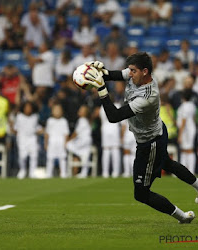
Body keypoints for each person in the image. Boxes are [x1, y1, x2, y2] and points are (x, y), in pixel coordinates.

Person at [83, 52, 198, 223]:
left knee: (141, 193)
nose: (129, 73)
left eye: (133, 71)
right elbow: (113, 75)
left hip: (150, 142)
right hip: (157, 131)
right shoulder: (135, 75)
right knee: (167, 162)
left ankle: (182, 217)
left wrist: (101, 89)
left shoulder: (148, 96)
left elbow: (114, 116)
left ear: (145, 71)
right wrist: (99, 71)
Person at [13, 101, 40, 179]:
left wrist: (40, 130)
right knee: (22, 156)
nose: (28, 109)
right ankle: (22, 170)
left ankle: (32, 172)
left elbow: (36, 127)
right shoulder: (19, 116)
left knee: (34, 155)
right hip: (22, 139)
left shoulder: (35, 117)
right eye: (27, 107)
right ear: (23, 108)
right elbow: (16, 128)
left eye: (30, 107)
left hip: (32, 138)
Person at [66, 105, 92, 178]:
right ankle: (84, 172)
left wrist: (68, 140)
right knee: (86, 155)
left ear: (85, 113)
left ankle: (79, 154)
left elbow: (76, 133)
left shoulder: (82, 120)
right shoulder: (86, 120)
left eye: (81, 110)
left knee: (68, 145)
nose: (79, 111)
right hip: (87, 141)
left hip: (83, 141)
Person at [45, 103, 69, 178]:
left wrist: (66, 143)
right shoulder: (50, 121)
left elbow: (66, 133)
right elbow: (47, 133)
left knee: (62, 158)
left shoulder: (64, 121)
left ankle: (63, 174)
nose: (57, 111)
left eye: (59, 110)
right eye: (55, 110)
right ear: (52, 111)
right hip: (52, 142)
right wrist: (46, 143)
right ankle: (49, 174)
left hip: (61, 142)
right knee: (50, 158)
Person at [98, 101, 121, 178]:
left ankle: (105, 172)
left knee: (106, 150)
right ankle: (116, 172)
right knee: (115, 149)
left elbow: (101, 119)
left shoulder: (102, 106)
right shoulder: (117, 105)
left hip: (105, 128)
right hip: (115, 128)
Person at [177, 89, 197, 174]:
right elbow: (194, 117)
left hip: (186, 130)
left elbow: (183, 121)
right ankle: (185, 169)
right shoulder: (192, 105)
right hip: (191, 128)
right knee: (185, 149)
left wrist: (180, 135)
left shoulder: (184, 106)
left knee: (188, 150)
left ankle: (190, 170)